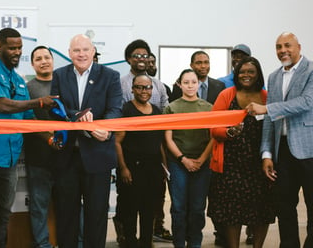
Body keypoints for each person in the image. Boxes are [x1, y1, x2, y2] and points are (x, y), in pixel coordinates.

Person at [0, 28, 56, 248]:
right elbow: (0, 104)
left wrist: (50, 139)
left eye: (19, 48)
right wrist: (39, 101)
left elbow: (28, 119)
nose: (16, 52)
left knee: (4, 211)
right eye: (12, 47)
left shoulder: (18, 79)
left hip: (11, 155)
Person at [50, 34, 122, 248]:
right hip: (67, 156)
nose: (81, 54)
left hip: (98, 154)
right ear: (69, 53)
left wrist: (105, 128)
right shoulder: (59, 75)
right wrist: (78, 115)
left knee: (97, 214)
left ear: (93, 52)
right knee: (66, 215)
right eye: (76, 50)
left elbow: (115, 109)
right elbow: (55, 108)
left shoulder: (110, 76)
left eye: (85, 50)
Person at [246, 32, 313, 248]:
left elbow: (306, 102)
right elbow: (269, 120)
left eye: (287, 45)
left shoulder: (311, 71)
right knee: (284, 206)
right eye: (278, 47)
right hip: (281, 151)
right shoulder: (274, 77)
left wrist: (267, 108)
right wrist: (266, 153)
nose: (282, 50)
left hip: (309, 150)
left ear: (299, 47)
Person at [208, 56, 275, 248]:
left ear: (258, 74)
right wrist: (229, 132)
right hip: (231, 163)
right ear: (236, 75)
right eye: (242, 72)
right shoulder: (227, 95)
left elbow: (274, 127)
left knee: (262, 209)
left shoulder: (266, 97)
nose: (246, 75)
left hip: (260, 161)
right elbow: (213, 127)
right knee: (232, 212)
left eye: (250, 72)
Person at [163, 69, 213, 248]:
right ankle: (178, 243)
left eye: (193, 82)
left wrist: (201, 159)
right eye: (186, 82)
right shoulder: (172, 107)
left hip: (202, 162)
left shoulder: (208, 108)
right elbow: (168, 139)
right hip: (178, 163)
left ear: (199, 83)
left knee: (198, 207)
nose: (190, 86)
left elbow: (213, 137)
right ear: (179, 84)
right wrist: (183, 159)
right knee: (178, 207)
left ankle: (195, 243)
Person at [115, 74, 165, 248]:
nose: (144, 91)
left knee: (149, 210)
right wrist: (123, 168)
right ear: (132, 89)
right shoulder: (126, 111)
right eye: (140, 87)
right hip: (132, 168)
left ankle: (146, 242)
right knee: (130, 210)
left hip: (153, 169)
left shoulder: (157, 111)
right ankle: (129, 242)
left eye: (148, 87)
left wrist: (164, 168)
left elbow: (159, 143)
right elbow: (117, 142)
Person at [22, 45, 58, 248]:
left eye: (47, 57)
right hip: (38, 157)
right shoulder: (26, 89)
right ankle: (42, 244)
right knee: (38, 206)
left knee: (70, 206)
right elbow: (27, 119)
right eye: (38, 58)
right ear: (32, 64)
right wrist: (48, 136)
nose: (43, 61)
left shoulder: (64, 84)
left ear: (53, 60)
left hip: (65, 157)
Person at [120, 39, 169, 109]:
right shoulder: (120, 84)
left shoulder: (158, 84)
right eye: (137, 56)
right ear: (128, 58)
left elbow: (165, 110)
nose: (142, 59)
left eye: (145, 56)